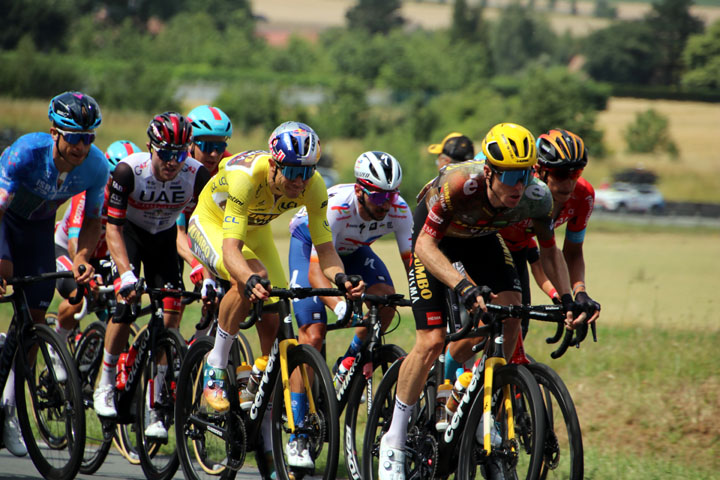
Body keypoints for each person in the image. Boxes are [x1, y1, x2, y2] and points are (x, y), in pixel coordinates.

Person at [378, 123, 585, 480]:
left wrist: (568, 300)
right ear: (489, 172)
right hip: (435, 241)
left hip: (482, 239)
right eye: (509, 176)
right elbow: (425, 247)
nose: (518, 186)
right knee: (431, 341)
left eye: (524, 174)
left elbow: (550, 254)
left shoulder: (538, 197)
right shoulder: (460, 185)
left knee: (512, 313)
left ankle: (475, 399)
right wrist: (463, 286)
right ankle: (394, 438)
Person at [186, 121, 364, 470]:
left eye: (307, 171)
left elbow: (325, 250)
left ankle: (259, 381)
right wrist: (249, 278)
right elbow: (232, 249)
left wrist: (341, 277)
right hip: (213, 224)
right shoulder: (246, 178)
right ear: (276, 163)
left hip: (256, 230)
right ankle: (216, 365)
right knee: (252, 277)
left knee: (277, 308)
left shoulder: (313, 186)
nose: (300, 181)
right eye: (293, 172)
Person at [0, 91, 107, 457]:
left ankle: (9, 409)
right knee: (5, 272)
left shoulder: (96, 167)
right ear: (54, 133)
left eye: (88, 137)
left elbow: (93, 220)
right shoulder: (27, 153)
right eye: (74, 137)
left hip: (39, 231)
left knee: (34, 319)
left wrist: (81, 257)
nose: (81, 147)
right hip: (5, 221)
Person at [92, 112, 211, 441]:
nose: (173, 162)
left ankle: (156, 405)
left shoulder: (196, 174)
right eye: (165, 153)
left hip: (164, 238)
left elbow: (205, 226)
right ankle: (104, 381)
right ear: (150, 148)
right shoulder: (129, 171)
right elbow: (113, 227)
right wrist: (126, 274)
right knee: (126, 306)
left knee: (171, 313)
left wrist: (209, 269)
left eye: (180, 153)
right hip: (129, 235)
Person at [287, 151, 413, 374]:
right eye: (377, 197)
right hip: (309, 245)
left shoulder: (400, 210)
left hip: (353, 249)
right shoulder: (336, 209)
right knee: (314, 333)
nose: (385, 205)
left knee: (386, 300)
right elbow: (316, 273)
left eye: (391, 196)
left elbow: (413, 266)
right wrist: (340, 306)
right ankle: (299, 407)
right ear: (359, 191)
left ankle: (348, 362)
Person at [500, 129, 601, 339]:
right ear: (540, 170)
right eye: (561, 174)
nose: (569, 183)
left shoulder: (583, 196)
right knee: (478, 325)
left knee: (518, 328)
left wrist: (577, 293)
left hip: (519, 247)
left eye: (576, 173)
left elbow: (571, 252)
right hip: (483, 241)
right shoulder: (521, 189)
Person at [53, 140, 143, 341]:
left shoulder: (133, 200)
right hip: (68, 251)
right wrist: (84, 269)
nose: (121, 184)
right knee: (79, 295)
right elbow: (74, 243)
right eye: (114, 177)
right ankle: (57, 342)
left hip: (102, 256)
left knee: (124, 299)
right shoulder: (92, 193)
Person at [176, 105, 234, 329]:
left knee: (223, 299)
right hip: (176, 232)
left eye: (220, 146)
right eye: (207, 146)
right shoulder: (178, 168)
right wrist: (199, 266)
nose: (214, 154)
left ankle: (201, 345)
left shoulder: (226, 165)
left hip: (208, 228)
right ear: (190, 143)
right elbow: (178, 232)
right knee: (174, 304)